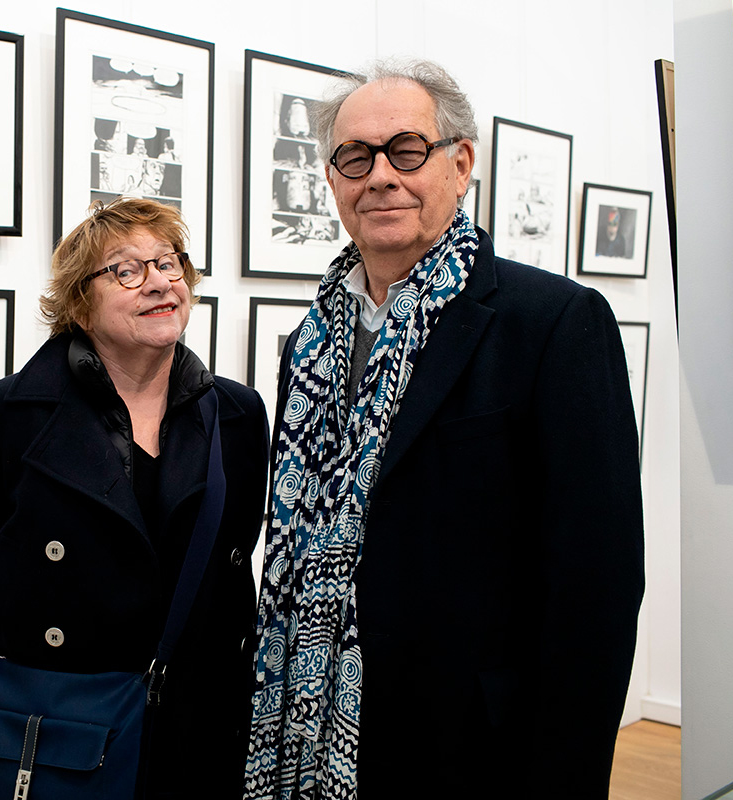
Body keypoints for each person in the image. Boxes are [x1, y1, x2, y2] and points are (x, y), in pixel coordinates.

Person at [245, 60, 644, 799]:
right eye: (355, 157)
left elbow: (598, 587)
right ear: (331, 180)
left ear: (460, 165)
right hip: (316, 732)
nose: (380, 177)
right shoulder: (308, 343)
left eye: (406, 150)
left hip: (474, 749)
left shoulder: (552, 323)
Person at [0, 197, 270, 798]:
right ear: (79, 305)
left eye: (168, 263)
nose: (160, 282)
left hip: (201, 721)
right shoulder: (8, 415)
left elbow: (232, 556)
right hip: (67, 715)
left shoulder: (237, 412)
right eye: (127, 270)